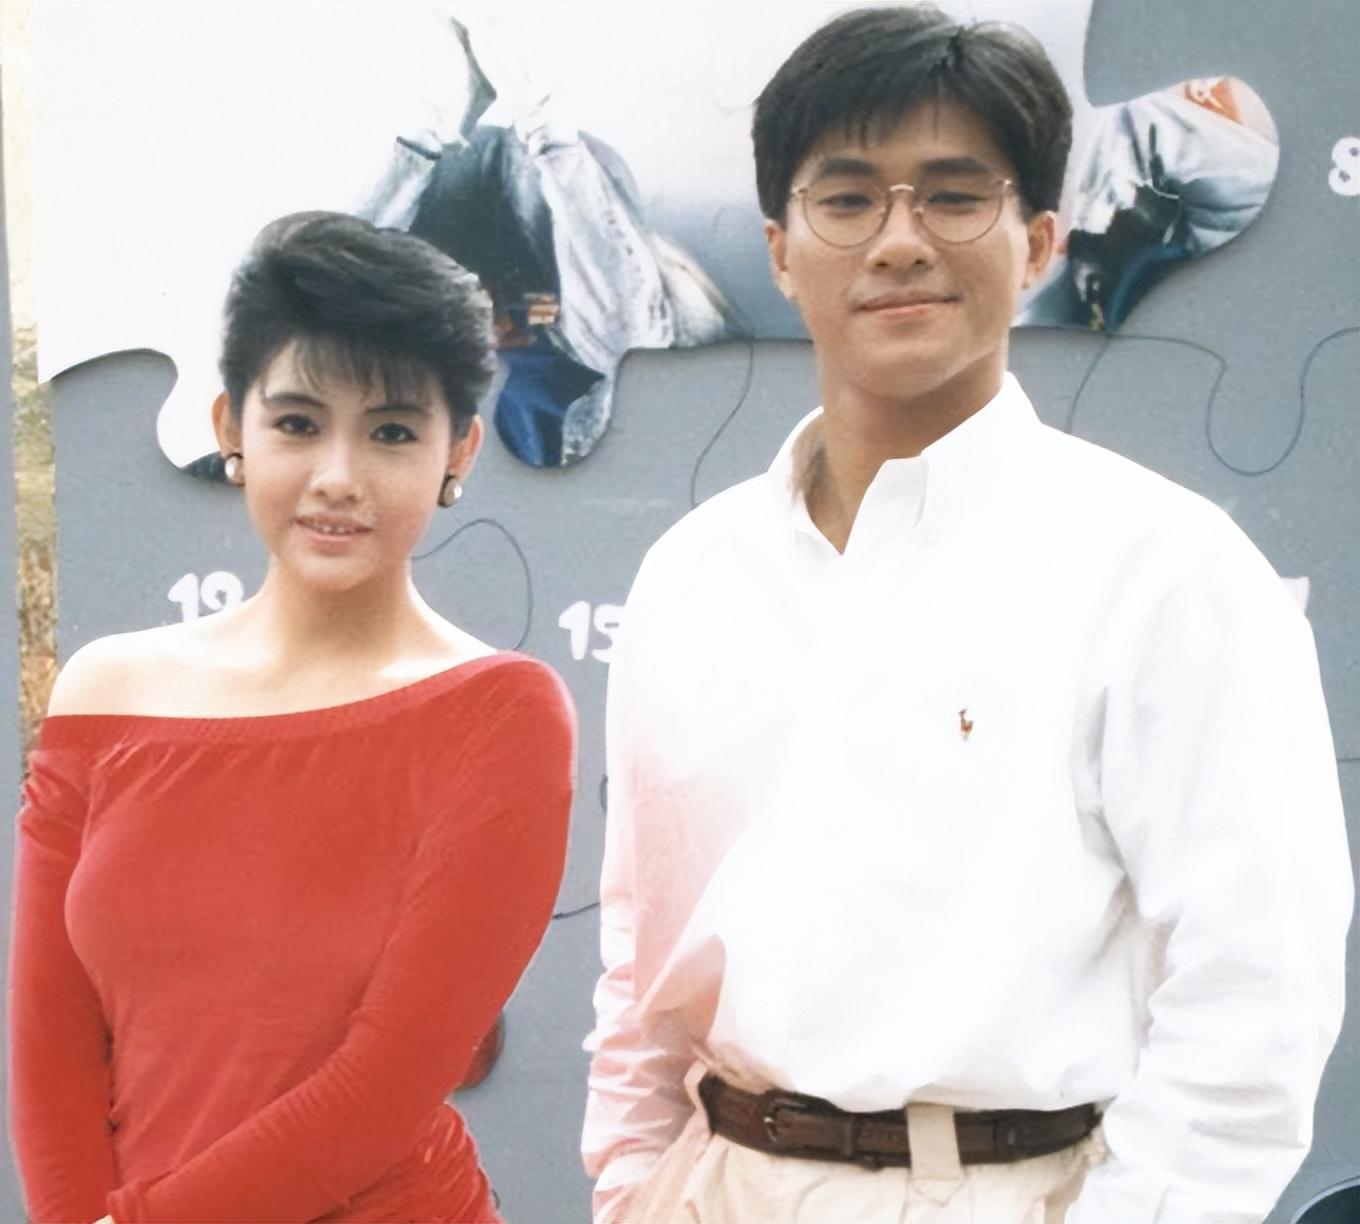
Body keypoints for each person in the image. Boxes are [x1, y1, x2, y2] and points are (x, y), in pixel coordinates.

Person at [582, 7, 1351, 1223]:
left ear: (1038, 238)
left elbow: (1254, 993)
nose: (899, 242)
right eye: (847, 200)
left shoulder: (1163, 570)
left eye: (952, 196)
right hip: (713, 1186)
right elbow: (643, 960)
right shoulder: (694, 574)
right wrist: (631, 1190)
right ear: (780, 250)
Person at [10, 212, 576, 1223]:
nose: (338, 477)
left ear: (459, 450)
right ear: (232, 428)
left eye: (392, 432)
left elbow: (384, 1085)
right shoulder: (106, 692)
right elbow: (52, 1038)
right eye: (299, 424)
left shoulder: (502, 714)